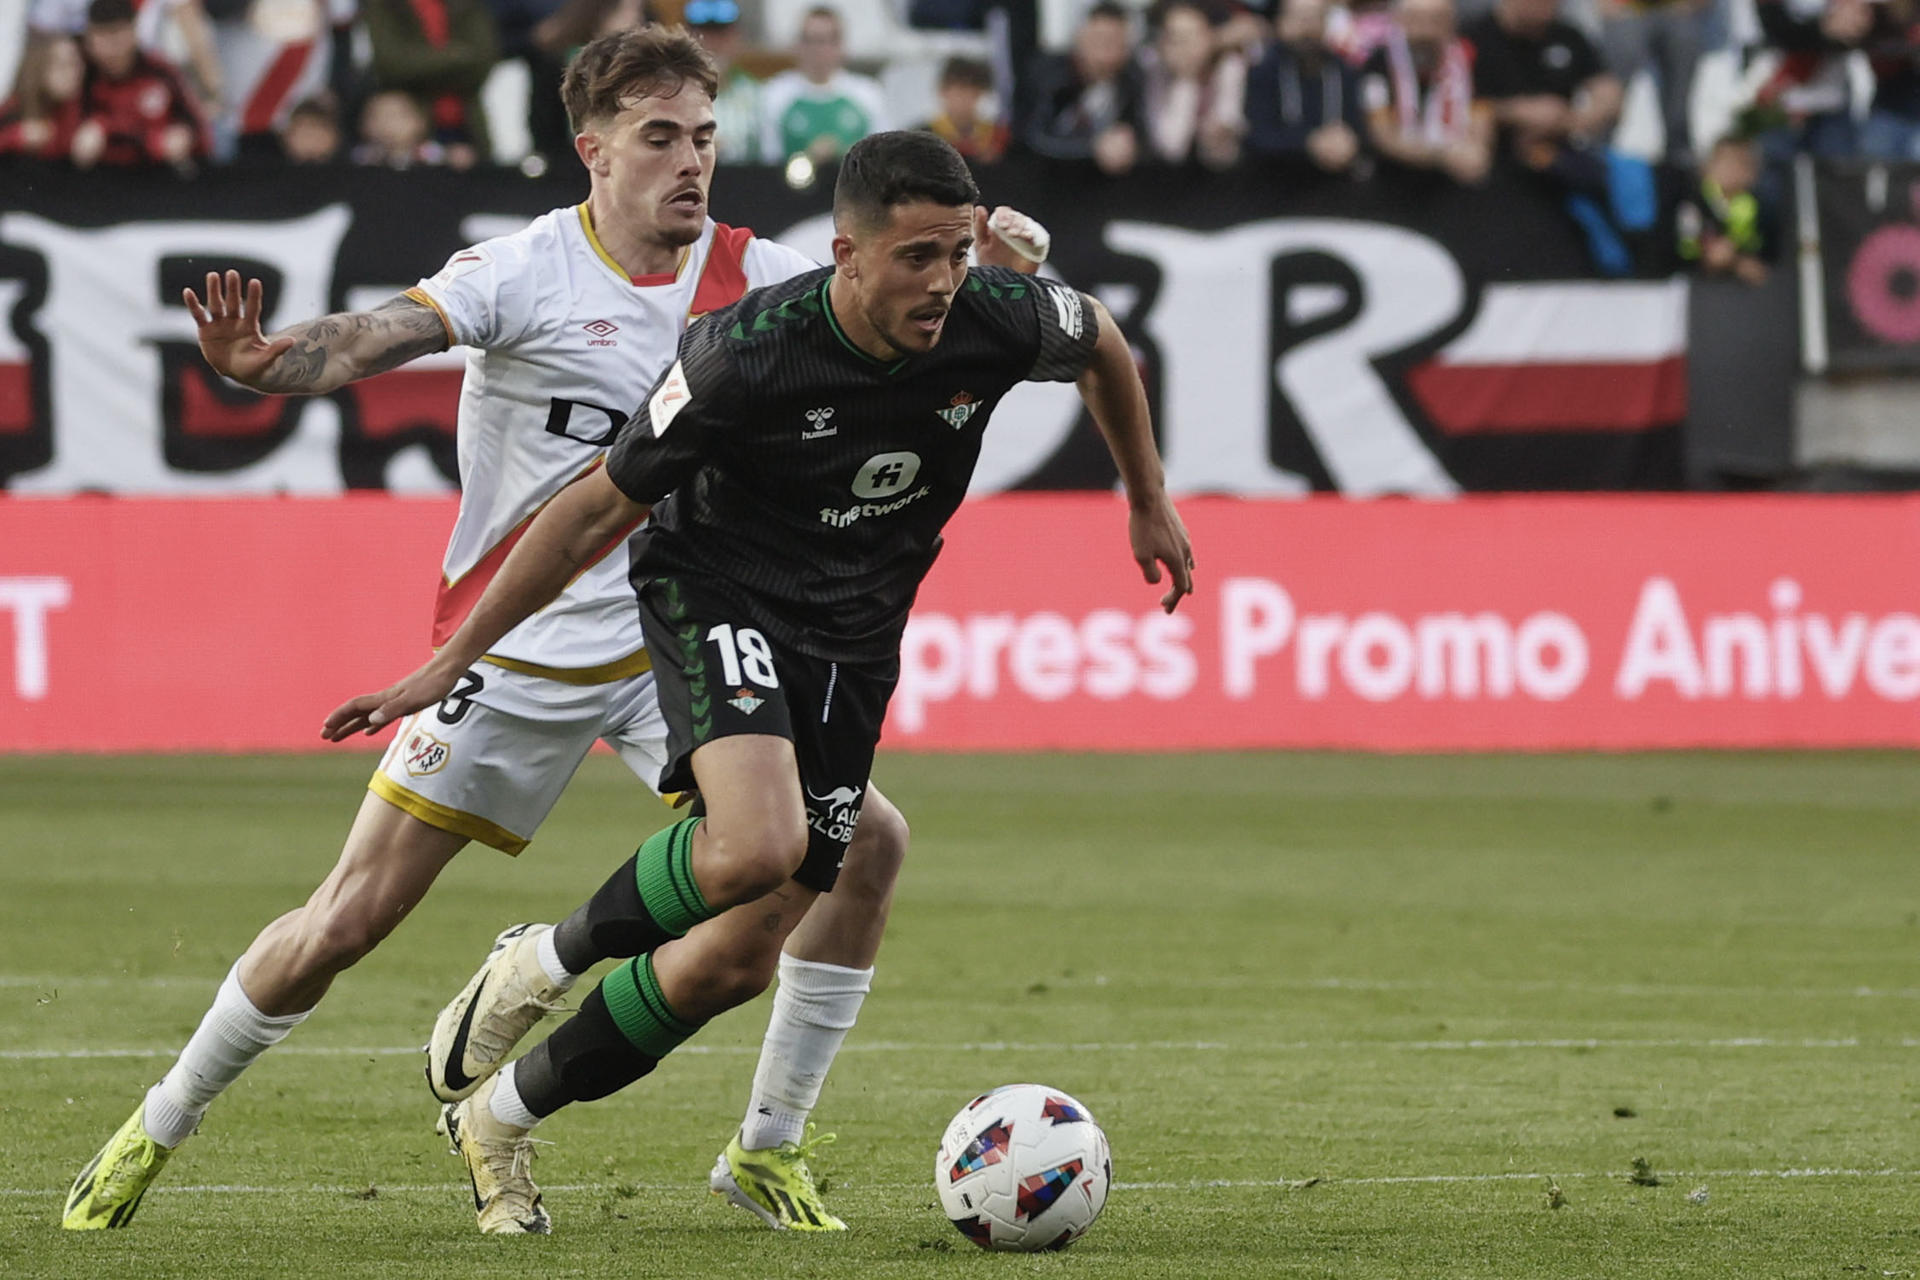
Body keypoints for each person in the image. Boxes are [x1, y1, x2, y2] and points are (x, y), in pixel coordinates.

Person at [60, 25, 1040, 1235]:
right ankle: (155, 1124)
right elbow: (376, 335)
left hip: (678, 637)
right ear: (593, 150)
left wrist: (975, 269)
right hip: (516, 648)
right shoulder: (522, 271)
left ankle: (761, 1140)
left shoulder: (767, 273)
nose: (692, 163)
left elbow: (911, 315)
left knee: (860, 848)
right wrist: (270, 364)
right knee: (344, 920)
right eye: (660, 137)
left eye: (705, 137)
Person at [320, 128, 1195, 1239]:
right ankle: (543, 956)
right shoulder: (746, 353)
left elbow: (1105, 342)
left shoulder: (995, 315)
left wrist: (1145, 496)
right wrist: (452, 656)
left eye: (960, 255)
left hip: (854, 634)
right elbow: (595, 505)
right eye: (918, 257)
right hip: (716, 589)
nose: (943, 284)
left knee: (738, 953)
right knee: (751, 844)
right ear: (846, 254)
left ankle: (504, 1111)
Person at [1462, 0, 1621, 178]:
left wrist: (1573, 120)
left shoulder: (1568, 36)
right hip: (1492, 156)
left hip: (1557, 155)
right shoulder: (1472, 38)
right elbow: (1456, 104)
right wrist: (1513, 112)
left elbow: (1606, 88)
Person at [1360, 0, 1493, 183]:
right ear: (1399, 21)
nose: (1425, 31)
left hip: (1457, 173)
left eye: (1436, 21)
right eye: (1416, 20)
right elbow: (1382, 134)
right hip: (1395, 172)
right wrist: (1441, 156)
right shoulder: (1378, 63)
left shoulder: (1470, 59)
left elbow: (1481, 117)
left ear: (1452, 25)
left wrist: (1476, 151)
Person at [70, 0, 209, 169]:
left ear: (133, 31)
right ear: (88, 40)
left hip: (158, 178)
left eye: (116, 36)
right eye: (101, 37)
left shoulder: (160, 72)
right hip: (95, 181)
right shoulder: (79, 74)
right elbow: (59, 136)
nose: (111, 49)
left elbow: (199, 131)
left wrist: (184, 137)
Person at [1023, 1, 1147, 173]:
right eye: (1098, 40)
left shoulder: (1132, 80)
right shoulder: (1050, 74)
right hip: (1048, 178)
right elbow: (1034, 136)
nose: (1104, 52)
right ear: (1080, 37)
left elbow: (1144, 134)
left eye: (1114, 42)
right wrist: (1092, 147)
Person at [1241, 0, 1364, 173]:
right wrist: (1309, 142)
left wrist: (1348, 142)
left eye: (1314, 18)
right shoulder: (1262, 71)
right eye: (1298, 18)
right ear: (1280, 23)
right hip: (1275, 179)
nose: (1307, 28)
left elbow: (1359, 127)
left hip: (1335, 176)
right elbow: (1256, 135)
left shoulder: (1344, 70)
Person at [759, 7, 888, 167]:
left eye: (824, 40)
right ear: (797, 45)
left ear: (840, 45)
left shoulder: (867, 94)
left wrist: (843, 152)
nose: (817, 49)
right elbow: (768, 158)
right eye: (809, 40)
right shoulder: (775, 94)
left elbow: (882, 156)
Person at [1139, 0, 1246, 167]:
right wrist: (1186, 80)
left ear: (1211, 37)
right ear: (1163, 44)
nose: (1185, 47)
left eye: (1194, 36)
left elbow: (1226, 140)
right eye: (1176, 39)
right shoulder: (1155, 74)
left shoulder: (1230, 67)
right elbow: (1172, 148)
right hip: (1171, 180)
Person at [684, 0, 763, 165]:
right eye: (703, 36)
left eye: (722, 35)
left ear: (736, 38)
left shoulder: (756, 95)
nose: (713, 45)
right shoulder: (674, 96)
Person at [919, 54, 1008, 162]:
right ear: (942, 92)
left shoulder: (998, 139)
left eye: (972, 92)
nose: (964, 100)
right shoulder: (922, 139)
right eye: (959, 91)